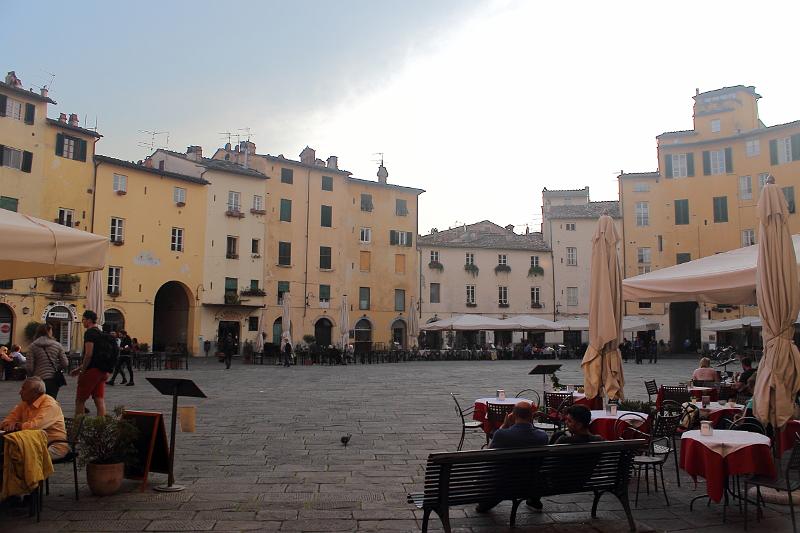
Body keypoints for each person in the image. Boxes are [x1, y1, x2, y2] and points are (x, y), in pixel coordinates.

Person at [475, 401, 549, 513]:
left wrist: (504, 425)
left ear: (513, 416)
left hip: (502, 485)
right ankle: (533, 500)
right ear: (531, 416)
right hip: (529, 484)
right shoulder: (542, 436)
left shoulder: (502, 435)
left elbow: (488, 454)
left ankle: (486, 502)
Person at [1, 377, 68, 459]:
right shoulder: (26, 403)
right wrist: (9, 424)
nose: (20, 392)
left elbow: (34, 427)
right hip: (31, 443)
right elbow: (7, 421)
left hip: (52, 446)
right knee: (7, 451)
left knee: (16, 455)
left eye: (24, 389)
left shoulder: (50, 405)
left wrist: (16, 425)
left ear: (35, 393)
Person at [70, 310, 110, 418]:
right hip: (102, 370)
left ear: (88, 320)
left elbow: (89, 354)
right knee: (99, 399)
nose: (82, 322)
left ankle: (78, 427)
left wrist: (82, 370)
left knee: (80, 400)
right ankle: (100, 426)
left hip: (92, 371)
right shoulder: (100, 333)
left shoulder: (90, 333)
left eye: (83, 320)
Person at [26, 324, 69, 399]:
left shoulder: (32, 346)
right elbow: (65, 363)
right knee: (50, 402)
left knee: (38, 403)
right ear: (49, 331)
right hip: (52, 379)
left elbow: (29, 367)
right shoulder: (57, 345)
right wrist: (57, 368)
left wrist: (31, 377)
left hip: (38, 379)